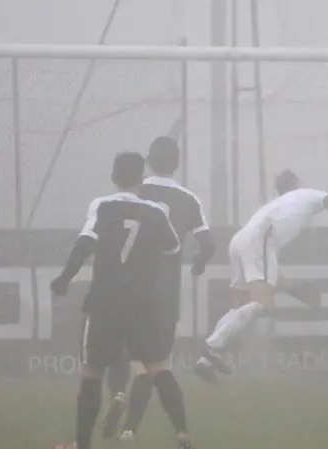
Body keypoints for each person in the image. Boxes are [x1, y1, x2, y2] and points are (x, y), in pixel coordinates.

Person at [194, 169, 328, 382]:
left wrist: (294, 289)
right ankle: (211, 346)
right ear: (297, 185)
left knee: (239, 306)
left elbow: (272, 274)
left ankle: (204, 362)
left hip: (239, 241)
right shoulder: (308, 196)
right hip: (260, 240)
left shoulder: (276, 206)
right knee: (263, 305)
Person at [50, 152, 180, 449]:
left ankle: (82, 443)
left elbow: (86, 242)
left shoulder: (103, 206)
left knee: (92, 372)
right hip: (140, 305)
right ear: (141, 179)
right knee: (151, 365)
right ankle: (178, 432)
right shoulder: (154, 212)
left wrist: (65, 277)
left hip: (104, 302)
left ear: (113, 177)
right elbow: (172, 249)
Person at [102, 136, 214, 446]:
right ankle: (157, 430)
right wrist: (199, 264)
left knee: (126, 355)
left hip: (128, 285)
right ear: (176, 163)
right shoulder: (188, 200)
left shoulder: (135, 191)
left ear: (148, 162)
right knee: (157, 363)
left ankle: (120, 397)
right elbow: (208, 244)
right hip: (165, 293)